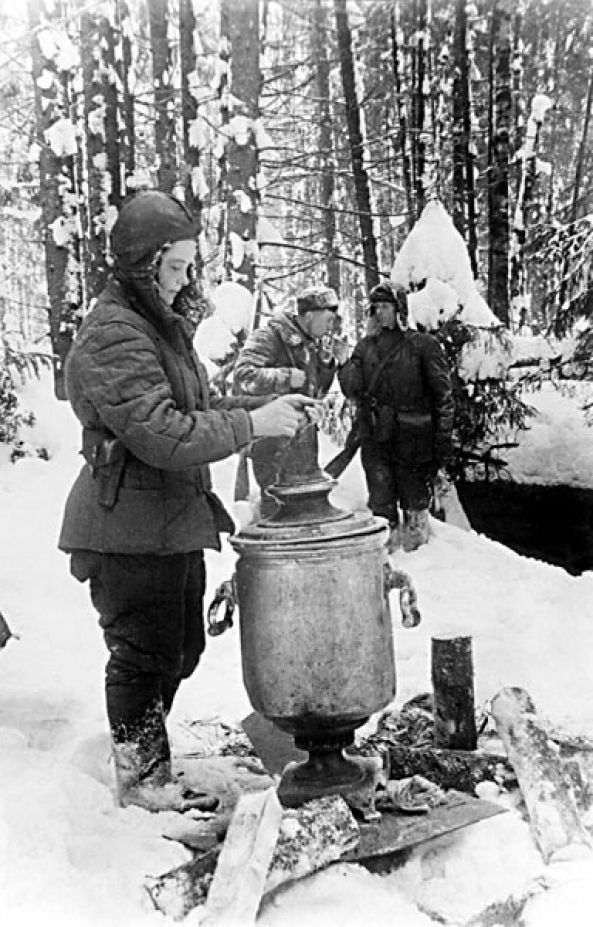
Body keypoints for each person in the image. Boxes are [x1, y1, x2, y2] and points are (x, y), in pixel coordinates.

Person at [58, 190, 314, 813]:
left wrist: (256, 411)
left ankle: (146, 757)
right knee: (144, 653)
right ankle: (143, 778)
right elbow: (163, 432)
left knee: (182, 649)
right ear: (143, 265)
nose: (184, 280)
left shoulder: (156, 326)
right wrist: (253, 428)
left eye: (188, 267)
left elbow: (194, 411)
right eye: (175, 267)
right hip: (126, 524)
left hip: (167, 518)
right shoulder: (116, 334)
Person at [337, 281, 454, 551]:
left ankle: (420, 558)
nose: (380, 313)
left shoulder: (423, 345)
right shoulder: (366, 347)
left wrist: (442, 440)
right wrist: (344, 363)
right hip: (376, 436)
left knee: (415, 503)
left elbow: (442, 396)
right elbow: (353, 389)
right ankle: (387, 560)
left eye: (386, 306)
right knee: (380, 501)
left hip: (413, 438)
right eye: (376, 308)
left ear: (400, 308)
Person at [233, 285, 350, 517]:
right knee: (277, 513)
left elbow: (313, 394)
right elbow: (243, 377)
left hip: (303, 446)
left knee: (305, 514)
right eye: (327, 319)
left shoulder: (312, 344)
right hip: (272, 444)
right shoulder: (269, 336)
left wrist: (327, 365)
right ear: (308, 315)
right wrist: (286, 377)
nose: (331, 326)